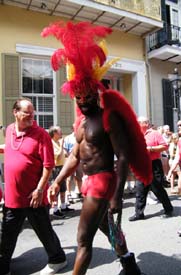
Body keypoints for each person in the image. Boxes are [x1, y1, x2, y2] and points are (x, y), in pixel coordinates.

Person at [42, 21, 152, 275]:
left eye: (87, 97)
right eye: (78, 98)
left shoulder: (108, 117)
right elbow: (73, 155)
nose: (82, 102)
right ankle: (130, 265)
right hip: (87, 181)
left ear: (95, 91)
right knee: (108, 226)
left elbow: (123, 157)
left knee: (83, 238)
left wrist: (117, 195)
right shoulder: (80, 122)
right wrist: (58, 181)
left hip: (103, 182)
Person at [0, 98, 67, 275]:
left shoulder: (41, 134)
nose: (31, 116)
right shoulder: (8, 130)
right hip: (13, 196)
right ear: (15, 112)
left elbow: (48, 165)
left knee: (44, 231)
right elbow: (12, 148)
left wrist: (39, 190)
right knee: (7, 233)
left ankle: (58, 260)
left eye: (33, 112)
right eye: (27, 112)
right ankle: (3, 266)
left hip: (34, 196)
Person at [129, 116, 173, 222]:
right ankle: (139, 213)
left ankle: (168, 208)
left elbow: (164, 146)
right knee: (140, 189)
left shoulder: (154, 134)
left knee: (157, 188)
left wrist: (151, 149)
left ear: (146, 124)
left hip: (154, 164)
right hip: (142, 165)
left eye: (138, 123)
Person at [48, 126, 74, 217]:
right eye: (59, 132)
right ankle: (55, 209)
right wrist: (62, 145)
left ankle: (63, 206)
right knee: (56, 189)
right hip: (56, 168)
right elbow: (57, 156)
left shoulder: (58, 142)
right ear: (54, 134)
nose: (61, 133)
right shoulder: (51, 143)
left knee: (63, 188)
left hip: (62, 167)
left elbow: (63, 154)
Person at [64, 130, 82, 203]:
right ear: (73, 129)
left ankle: (79, 192)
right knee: (69, 178)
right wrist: (69, 158)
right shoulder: (68, 138)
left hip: (80, 160)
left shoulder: (80, 137)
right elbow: (65, 149)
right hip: (70, 160)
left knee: (79, 177)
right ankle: (68, 193)